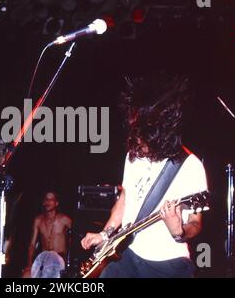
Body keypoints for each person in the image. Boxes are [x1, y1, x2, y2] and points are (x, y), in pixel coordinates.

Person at [81, 73, 208, 278]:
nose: (137, 141)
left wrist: (179, 231)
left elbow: (196, 222)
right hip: (127, 255)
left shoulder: (189, 166)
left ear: (161, 133)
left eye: (142, 135)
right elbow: (125, 198)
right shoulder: (134, 156)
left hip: (167, 263)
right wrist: (105, 235)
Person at [22, 191, 72, 278]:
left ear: (56, 203)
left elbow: (74, 239)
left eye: (51, 199)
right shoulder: (38, 220)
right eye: (46, 199)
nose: (48, 202)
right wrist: (29, 265)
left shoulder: (65, 219)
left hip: (60, 259)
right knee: (26, 275)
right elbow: (32, 245)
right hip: (44, 259)